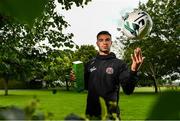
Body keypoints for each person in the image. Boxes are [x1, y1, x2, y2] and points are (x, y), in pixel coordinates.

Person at [70, 31, 144, 120]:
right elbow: (86, 86)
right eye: (101, 40)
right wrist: (76, 79)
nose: (104, 42)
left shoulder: (119, 64)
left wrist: (133, 71)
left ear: (111, 43)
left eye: (107, 40)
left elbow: (128, 90)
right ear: (97, 43)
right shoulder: (89, 64)